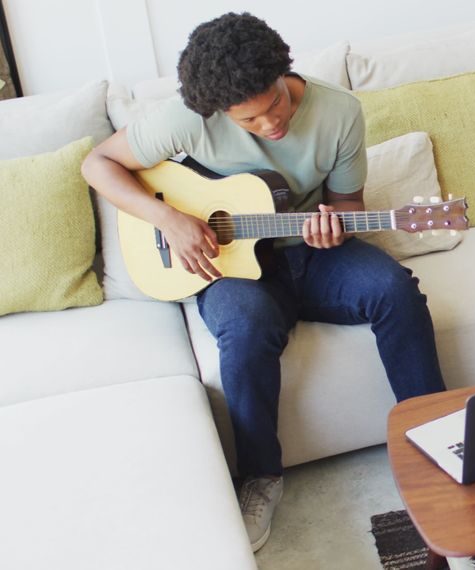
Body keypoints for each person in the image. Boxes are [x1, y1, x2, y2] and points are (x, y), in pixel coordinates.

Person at [81, 12, 446, 552]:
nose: (270, 125)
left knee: (394, 289)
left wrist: (335, 224)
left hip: (311, 254)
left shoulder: (339, 111)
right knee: (245, 327)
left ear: (284, 71)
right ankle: (262, 478)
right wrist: (169, 220)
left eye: (275, 104)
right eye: (249, 122)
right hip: (230, 266)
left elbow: (348, 203)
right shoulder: (187, 119)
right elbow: (99, 163)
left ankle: (437, 437)